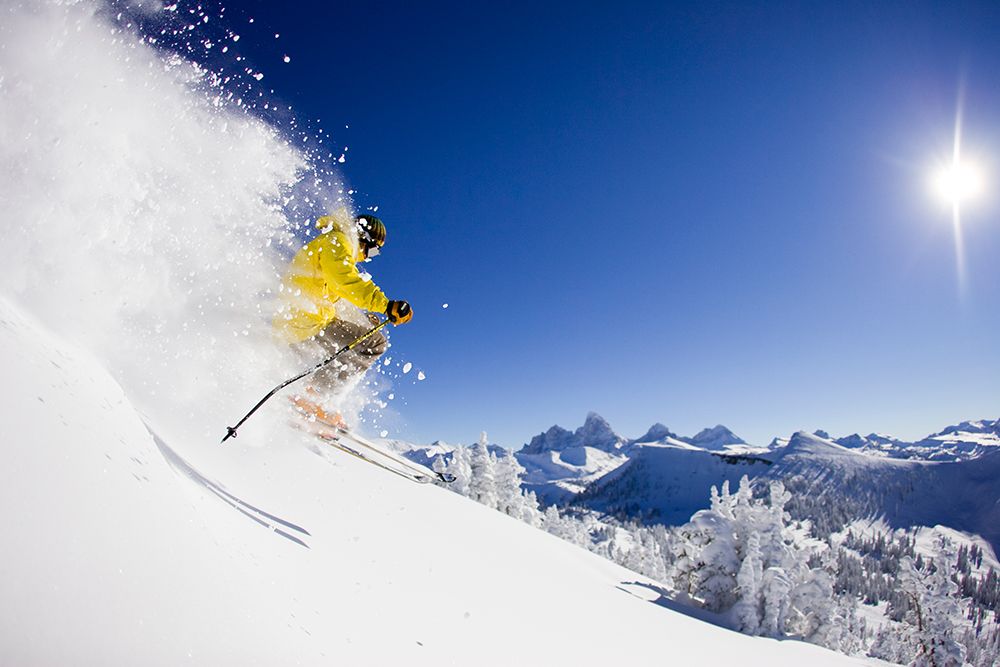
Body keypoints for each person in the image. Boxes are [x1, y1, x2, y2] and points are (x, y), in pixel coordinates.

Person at [274, 208, 412, 427]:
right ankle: (314, 396)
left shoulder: (333, 244)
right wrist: (385, 305)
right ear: (365, 239)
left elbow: (333, 292)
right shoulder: (338, 243)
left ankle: (311, 395)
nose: (371, 257)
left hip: (303, 319)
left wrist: (367, 320)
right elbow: (345, 282)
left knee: (365, 334)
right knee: (375, 343)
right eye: (375, 251)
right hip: (304, 321)